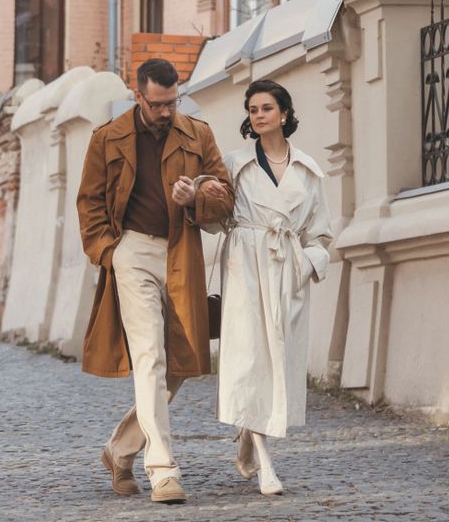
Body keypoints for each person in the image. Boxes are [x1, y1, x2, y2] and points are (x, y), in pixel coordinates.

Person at [76, 58, 234, 504]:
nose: (167, 111)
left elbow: (224, 196)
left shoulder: (198, 134)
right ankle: (162, 468)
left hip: (182, 250)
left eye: (173, 102)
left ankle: (120, 450)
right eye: (159, 103)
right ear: (138, 95)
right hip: (132, 252)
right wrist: (111, 251)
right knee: (150, 355)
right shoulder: (107, 138)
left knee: (180, 362)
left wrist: (197, 195)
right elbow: (88, 203)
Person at [214, 79, 332, 496]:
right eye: (252, 109)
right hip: (245, 264)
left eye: (266, 108)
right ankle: (266, 465)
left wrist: (306, 265)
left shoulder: (308, 170)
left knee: (278, 361)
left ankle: (248, 434)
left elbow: (321, 234)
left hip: (287, 270)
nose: (258, 115)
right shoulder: (234, 164)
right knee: (250, 358)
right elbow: (213, 219)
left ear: (283, 114)